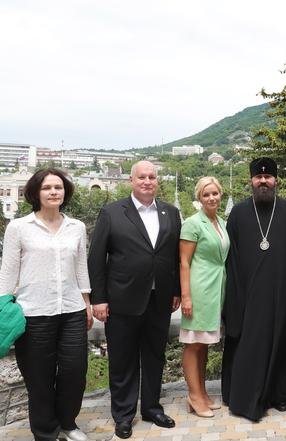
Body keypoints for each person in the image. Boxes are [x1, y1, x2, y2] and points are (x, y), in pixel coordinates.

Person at [88, 161, 182, 439]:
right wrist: (99, 299)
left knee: (154, 357)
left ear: (157, 180)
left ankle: (152, 408)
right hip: (122, 300)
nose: (147, 181)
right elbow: (96, 258)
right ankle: (124, 415)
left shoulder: (170, 212)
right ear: (131, 180)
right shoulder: (112, 212)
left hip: (159, 299)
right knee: (122, 360)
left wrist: (176, 290)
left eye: (152, 177)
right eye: (142, 177)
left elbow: (174, 257)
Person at [0, 168, 92, 441]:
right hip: (33, 313)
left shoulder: (76, 227)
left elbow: (81, 268)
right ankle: (45, 432)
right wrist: (2, 306)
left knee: (74, 372)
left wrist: (87, 302)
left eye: (58, 187)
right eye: (47, 187)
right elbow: (8, 272)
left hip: (72, 311)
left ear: (65, 192)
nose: (53, 192)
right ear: (36, 193)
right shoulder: (19, 227)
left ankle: (68, 423)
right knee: (39, 378)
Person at [221, 157, 286, 422]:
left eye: (268, 177)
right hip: (247, 294)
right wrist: (235, 297)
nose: (263, 181)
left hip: (280, 293)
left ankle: (278, 394)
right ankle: (244, 396)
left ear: (276, 180)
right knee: (248, 345)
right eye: (258, 177)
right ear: (251, 181)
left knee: (278, 343)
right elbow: (230, 259)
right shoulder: (238, 213)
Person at [179, 177, 229, 418]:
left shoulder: (221, 222)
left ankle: (202, 392)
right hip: (199, 288)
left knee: (204, 342)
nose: (211, 198)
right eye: (206, 194)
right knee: (193, 344)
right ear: (199, 198)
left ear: (221, 195)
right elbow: (184, 262)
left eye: (215, 193)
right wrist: (186, 297)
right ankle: (193, 395)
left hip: (216, 288)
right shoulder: (192, 223)